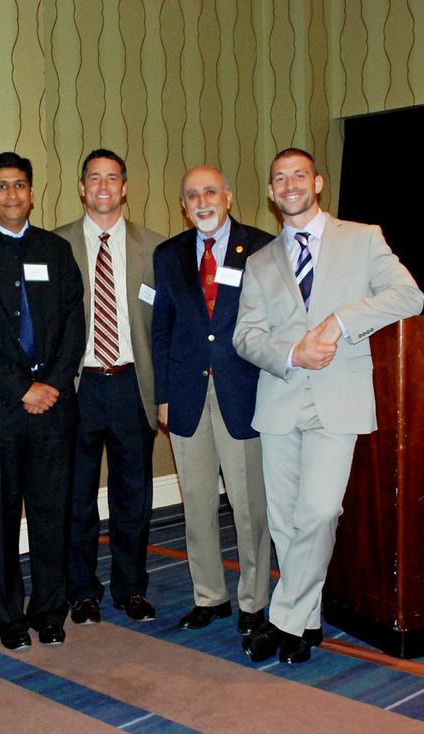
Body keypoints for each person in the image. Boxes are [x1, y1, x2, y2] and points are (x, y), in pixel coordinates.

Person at [233, 149, 423, 664]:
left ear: (317, 183)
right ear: (270, 192)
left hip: (338, 401)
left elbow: (408, 296)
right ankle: (307, 623)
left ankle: (281, 620)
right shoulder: (259, 262)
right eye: (279, 178)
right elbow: (246, 336)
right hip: (280, 401)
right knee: (285, 522)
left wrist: (341, 321)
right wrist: (292, 353)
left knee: (319, 512)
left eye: (299, 175)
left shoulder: (362, 238)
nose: (290, 184)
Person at [0, 152, 84, 650]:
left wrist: (51, 384)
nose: (12, 194)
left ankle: (49, 610)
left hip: (54, 410)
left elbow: (74, 325)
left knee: (52, 514)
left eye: (20, 185)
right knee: (0, 517)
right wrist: (21, 388)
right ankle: (8, 614)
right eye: (2, 186)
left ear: (31, 193)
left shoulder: (56, 251)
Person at [152, 166, 272, 636]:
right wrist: (163, 394)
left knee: (249, 507)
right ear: (183, 206)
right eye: (192, 195)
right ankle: (210, 596)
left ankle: (253, 601)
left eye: (209, 192)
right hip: (186, 395)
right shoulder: (169, 254)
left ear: (228, 196)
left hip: (242, 394)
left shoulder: (261, 247)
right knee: (197, 506)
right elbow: (161, 328)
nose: (202, 201)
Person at [54, 150, 165, 625]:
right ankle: (82, 591)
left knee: (133, 496)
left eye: (112, 178)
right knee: (76, 497)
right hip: (77, 387)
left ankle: (131, 588)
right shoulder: (55, 245)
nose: (103, 186)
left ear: (124, 188)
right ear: (82, 188)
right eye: (94, 178)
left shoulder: (155, 248)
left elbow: (164, 327)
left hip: (130, 385)